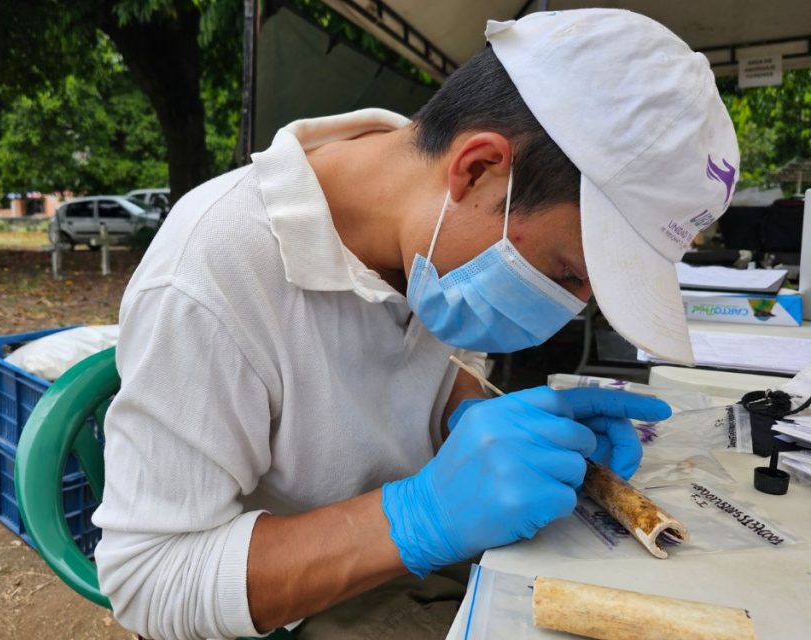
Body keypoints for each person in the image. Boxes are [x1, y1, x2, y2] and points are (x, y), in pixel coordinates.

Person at [93, 8, 739, 640]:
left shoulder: (422, 225)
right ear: (479, 168)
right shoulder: (211, 276)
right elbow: (151, 581)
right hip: (310, 600)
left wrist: (495, 419)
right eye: (568, 272)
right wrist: (419, 516)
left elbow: (393, 377)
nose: (570, 306)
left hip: (421, 566)